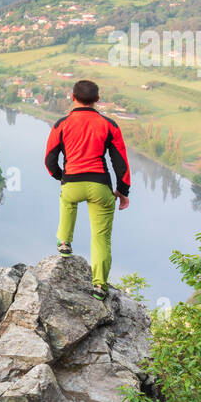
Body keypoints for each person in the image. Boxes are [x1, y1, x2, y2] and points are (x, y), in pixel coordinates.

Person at [43, 79, 131, 300]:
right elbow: (120, 161)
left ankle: (64, 242)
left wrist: (61, 177)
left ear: (73, 97)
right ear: (97, 100)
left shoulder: (61, 124)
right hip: (100, 186)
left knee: (67, 200)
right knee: (101, 238)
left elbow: (49, 159)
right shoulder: (109, 125)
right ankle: (100, 286)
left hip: (72, 182)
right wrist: (123, 191)